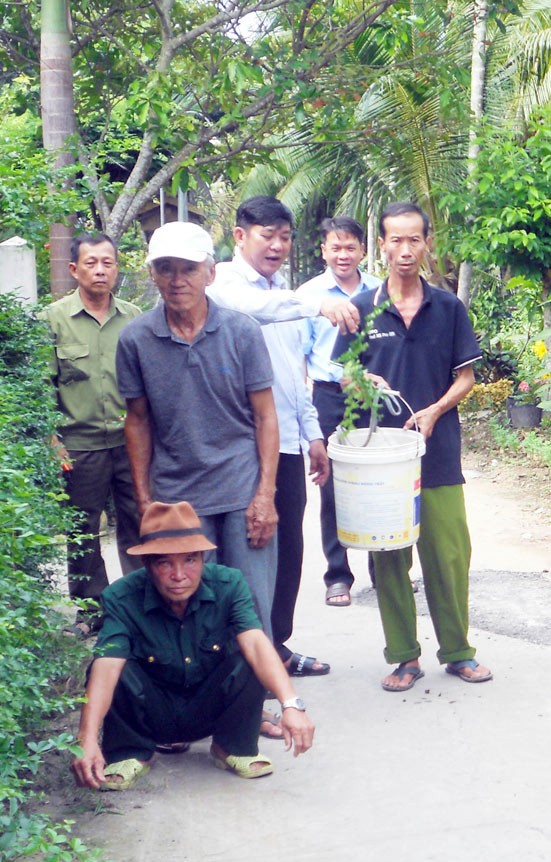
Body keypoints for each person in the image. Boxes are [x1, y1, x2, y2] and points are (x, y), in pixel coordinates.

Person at [333, 202, 493, 691]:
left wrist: (434, 411)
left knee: (448, 556)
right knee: (389, 558)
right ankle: (403, 656)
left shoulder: (447, 308)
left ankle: (458, 652)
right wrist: (361, 380)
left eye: (414, 240)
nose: (405, 250)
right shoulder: (360, 308)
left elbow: (466, 377)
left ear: (427, 244)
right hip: (380, 458)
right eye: (395, 240)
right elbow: (342, 374)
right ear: (380, 245)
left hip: (438, 453)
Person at [70, 500, 315, 791]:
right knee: (107, 663)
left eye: (190, 560)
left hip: (210, 708)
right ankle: (131, 751)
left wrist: (291, 704)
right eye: (165, 563)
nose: (179, 575)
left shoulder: (229, 584)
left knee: (250, 657)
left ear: (202, 559)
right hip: (152, 712)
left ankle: (231, 746)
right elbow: (107, 667)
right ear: (147, 565)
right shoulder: (121, 597)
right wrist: (84, 740)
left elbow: (256, 643)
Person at [117, 221, 280, 646]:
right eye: (166, 269)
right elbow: (136, 420)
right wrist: (143, 499)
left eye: (188, 269)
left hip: (241, 487)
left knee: (251, 601)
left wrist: (265, 495)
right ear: (152, 274)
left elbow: (265, 416)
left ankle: (255, 697)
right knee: (188, 606)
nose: (177, 280)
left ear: (210, 273)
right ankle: (201, 700)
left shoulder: (241, 331)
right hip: (177, 493)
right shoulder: (135, 339)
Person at [207, 196, 333, 688]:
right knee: (249, 553)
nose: (277, 246)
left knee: (290, 552)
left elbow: (293, 374)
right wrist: (316, 301)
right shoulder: (224, 284)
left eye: (284, 236)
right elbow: (251, 308)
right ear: (240, 236)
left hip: (286, 444)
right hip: (242, 445)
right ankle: (240, 658)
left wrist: (314, 435)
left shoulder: (285, 295)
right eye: (267, 235)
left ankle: (276, 647)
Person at [39, 232, 143, 635]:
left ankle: (140, 607)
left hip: (130, 441)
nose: (100, 270)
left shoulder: (134, 317)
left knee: (139, 522)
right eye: (91, 263)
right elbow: (42, 386)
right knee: (82, 530)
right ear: (74, 270)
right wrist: (52, 442)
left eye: (107, 263)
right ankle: (91, 611)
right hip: (78, 446)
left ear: (117, 268)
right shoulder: (53, 319)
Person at [295, 216, 383, 607]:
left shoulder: (382, 291)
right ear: (324, 251)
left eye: (350, 247)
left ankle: (387, 571)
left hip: (374, 395)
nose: (343, 255)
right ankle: (337, 575)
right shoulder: (309, 295)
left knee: (383, 481)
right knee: (332, 485)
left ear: (363, 250)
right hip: (329, 396)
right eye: (335, 247)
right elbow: (298, 356)